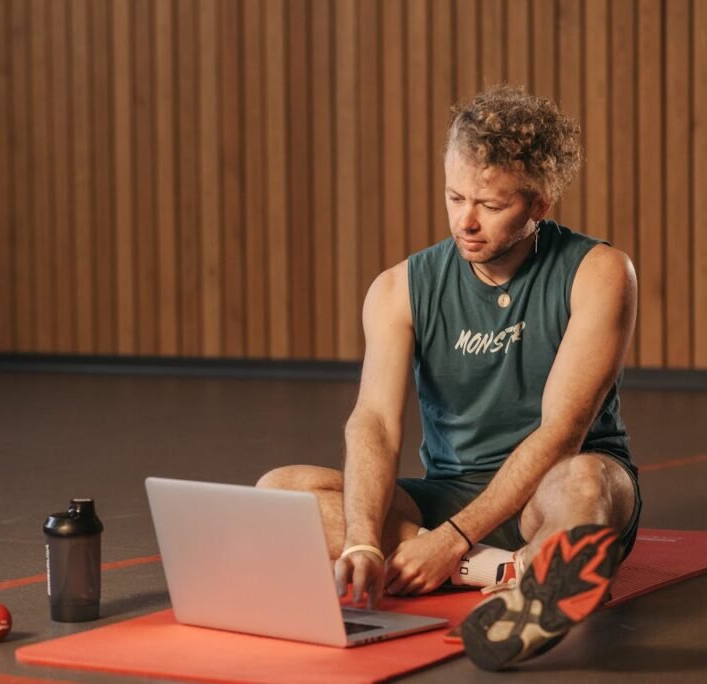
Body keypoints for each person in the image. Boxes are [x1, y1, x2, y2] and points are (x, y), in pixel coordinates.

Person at [257, 84, 640, 671]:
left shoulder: (600, 272)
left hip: (554, 487)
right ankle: (514, 572)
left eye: (490, 205)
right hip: (450, 490)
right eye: (454, 196)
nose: (466, 220)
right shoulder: (398, 288)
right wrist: (362, 537)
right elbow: (376, 423)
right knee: (278, 492)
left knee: (587, 481)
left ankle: (544, 560)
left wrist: (451, 539)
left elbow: (561, 432)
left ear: (540, 203)